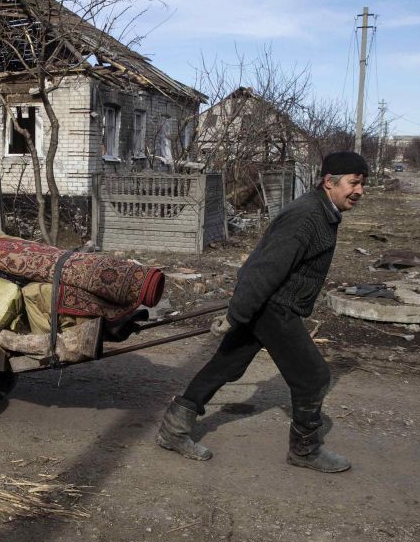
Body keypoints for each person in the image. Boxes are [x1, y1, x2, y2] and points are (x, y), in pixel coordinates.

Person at [157, 152, 368, 473]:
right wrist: (235, 314)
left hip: (271, 303)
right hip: (273, 307)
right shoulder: (307, 216)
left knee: (227, 364)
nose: (359, 191)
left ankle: (173, 428)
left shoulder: (323, 211)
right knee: (314, 378)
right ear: (329, 182)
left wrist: (240, 313)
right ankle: (305, 450)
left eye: (362, 184)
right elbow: (262, 269)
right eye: (354, 183)